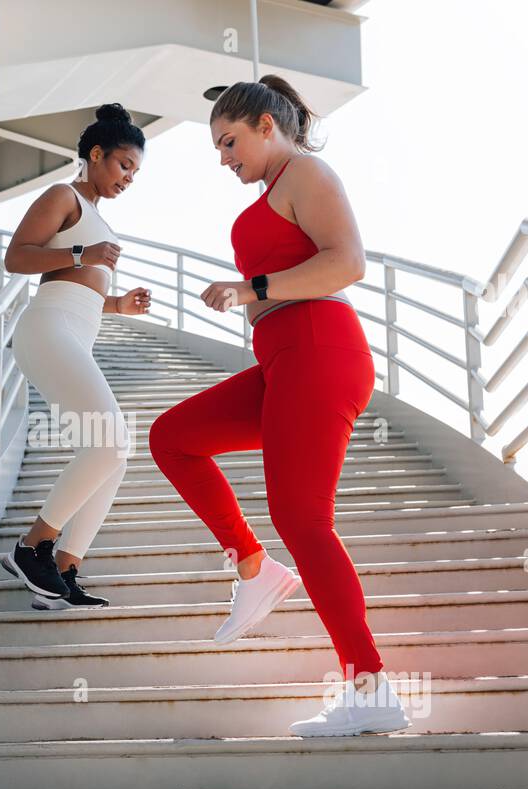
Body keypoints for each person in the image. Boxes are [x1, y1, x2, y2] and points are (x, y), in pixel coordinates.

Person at [147, 76, 411, 736]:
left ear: (268, 124)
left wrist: (251, 287)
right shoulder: (274, 190)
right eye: (215, 147)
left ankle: (369, 684)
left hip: (320, 346)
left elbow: (348, 262)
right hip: (282, 358)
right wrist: (252, 297)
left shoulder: (305, 173)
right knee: (173, 437)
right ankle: (255, 568)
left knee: (301, 515)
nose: (222, 157)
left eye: (229, 140)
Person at [0, 103, 153, 610]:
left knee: (115, 452)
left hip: (72, 326)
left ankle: (62, 571)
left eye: (135, 171)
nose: (129, 178)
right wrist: (79, 255)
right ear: (95, 154)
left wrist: (116, 305)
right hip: (46, 327)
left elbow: (80, 289)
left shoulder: (98, 219)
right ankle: (30, 546)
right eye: (123, 165)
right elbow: (17, 256)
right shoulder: (63, 196)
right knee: (112, 440)